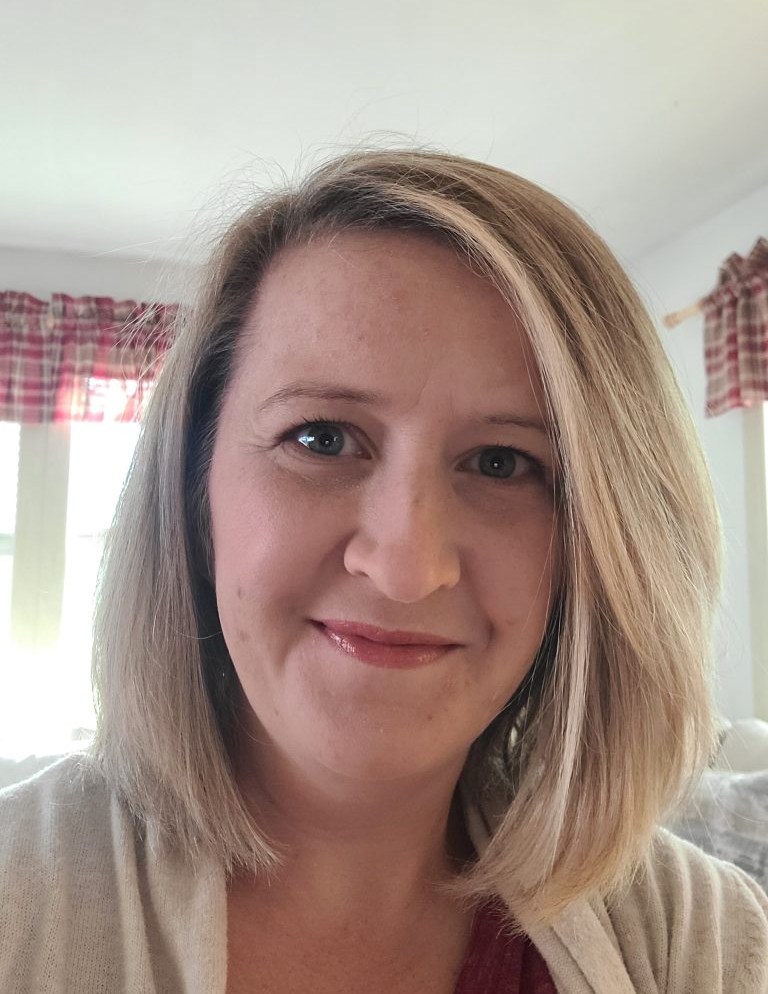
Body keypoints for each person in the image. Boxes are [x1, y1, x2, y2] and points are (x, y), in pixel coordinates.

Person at [1, 148, 767, 993]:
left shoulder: (707, 941)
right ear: (192, 494)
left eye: (503, 463)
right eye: (321, 438)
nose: (407, 567)